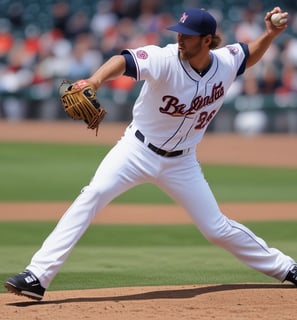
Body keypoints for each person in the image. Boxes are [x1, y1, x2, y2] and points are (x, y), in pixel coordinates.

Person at [4, 7, 297, 301]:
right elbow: (123, 60)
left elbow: (249, 54)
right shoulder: (165, 58)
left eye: (189, 35)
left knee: (215, 229)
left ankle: (287, 267)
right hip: (136, 150)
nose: (181, 39)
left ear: (207, 40)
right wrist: (94, 81)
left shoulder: (225, 61)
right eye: (180, 33)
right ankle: (38, 275)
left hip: (183, 162)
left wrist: (270, 35)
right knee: (92, 195)